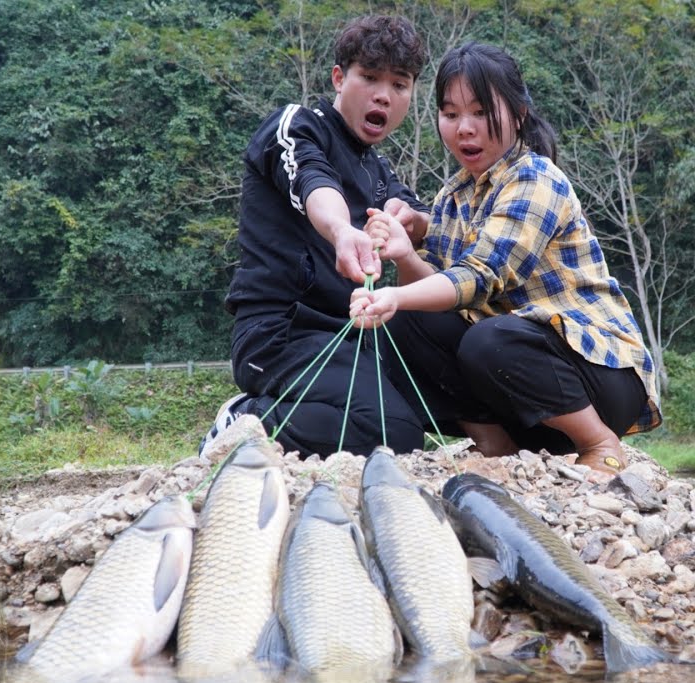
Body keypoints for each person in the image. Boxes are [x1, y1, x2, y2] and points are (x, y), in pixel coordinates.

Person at [349, 41, 661, 475]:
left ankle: (599, 442)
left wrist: (395, 296)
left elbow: (479, 277)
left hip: (599, 377)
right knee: (405, 321)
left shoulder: (536, 179)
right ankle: (496, 444)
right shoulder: (453, 195)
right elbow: (435, 296)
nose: (464, 129)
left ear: (518, 114)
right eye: (451, 114)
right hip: (521, 393)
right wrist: (404, 252)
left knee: (488, 338)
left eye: (480, 112)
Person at [202, 15, 431, 459]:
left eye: (399, 85)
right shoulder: (297, 125)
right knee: (394, 432)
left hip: (351, 338)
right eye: (369, 77)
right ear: (339, 78)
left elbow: (419, 215)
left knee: (428, 399)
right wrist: (342, 230)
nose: (384, 95)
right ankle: (245, 419)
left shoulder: (378, 169)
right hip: (278, 334)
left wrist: (409, 223)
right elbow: (313, 179)